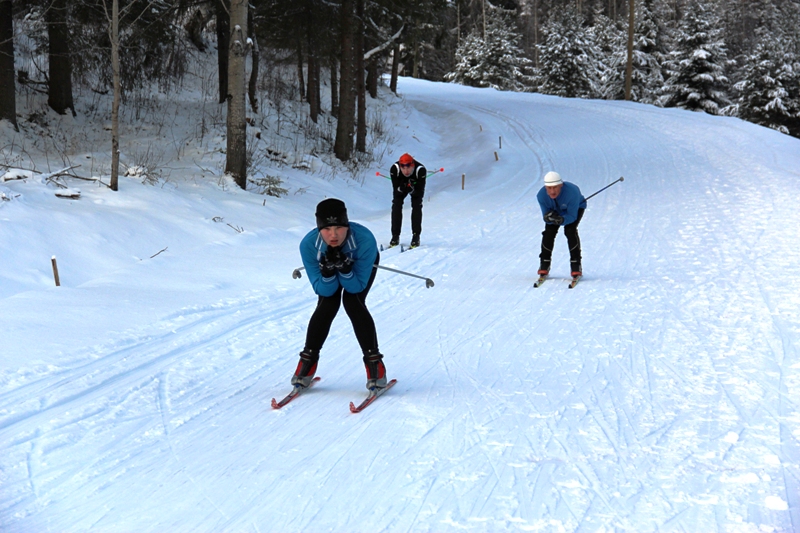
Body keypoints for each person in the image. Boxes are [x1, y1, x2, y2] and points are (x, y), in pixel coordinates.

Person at [293, 198, 388, 391]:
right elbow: (322, 289)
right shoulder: (309, 246)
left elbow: (357, 286)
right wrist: (328, 273)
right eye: (327, 229)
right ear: (319, 228)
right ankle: (308, 361)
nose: (333, 235)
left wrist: (345, 270)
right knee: (328, 303)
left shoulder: (365, 240)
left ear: (347, 225)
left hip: (360, 265)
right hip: (328, 273)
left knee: (353, 302)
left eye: (339, 227)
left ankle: (374, 364)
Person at [536, 171, 587, 277]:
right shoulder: (541, 196)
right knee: (549, 231)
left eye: (555, 187)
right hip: (555, 210)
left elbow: (572, 217)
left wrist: (562, 220)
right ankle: (544, 263)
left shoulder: (572, 193)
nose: (552, 191)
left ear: (561, 185)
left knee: (570, 230)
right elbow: (546, 218)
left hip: (575, 208)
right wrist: (549, 217)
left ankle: (576, 264)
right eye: (549, 188)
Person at [389, 153, 427, 248]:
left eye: (408, 168)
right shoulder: (395, 169)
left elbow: (419, 192)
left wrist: (413, 190)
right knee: (396, 205)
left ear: (413, 166)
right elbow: (396, 190)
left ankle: (416, 236)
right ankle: (395, 235)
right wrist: (400, 188)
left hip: (416, 185)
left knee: (417, 206)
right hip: (401, 184)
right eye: (403, 168)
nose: (406, 171)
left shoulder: (420, 170)